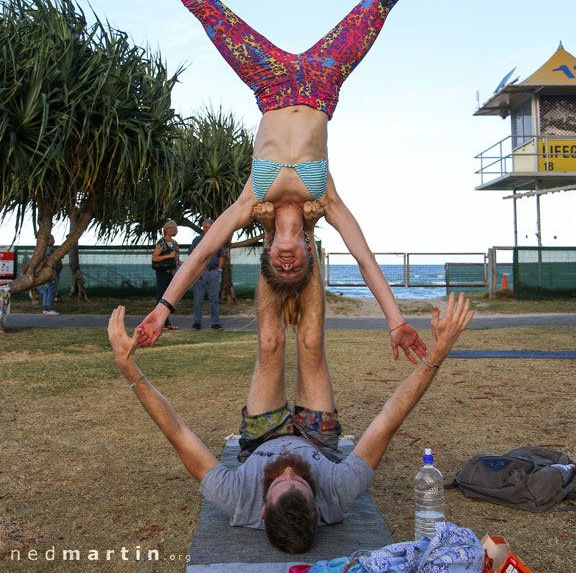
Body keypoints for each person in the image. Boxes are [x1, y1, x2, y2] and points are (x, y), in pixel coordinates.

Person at [62, 0, 498, 354]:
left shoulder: (252, 200)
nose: (287, 261)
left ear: (269, 251)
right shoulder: (324, 199)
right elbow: (366, 257)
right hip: (321, 82)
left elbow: (204, 251)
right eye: (296, 266)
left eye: (279, 265)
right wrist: (395, 321)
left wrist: (164, 307)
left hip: (268, 82)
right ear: (307, 252)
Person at [108, 231, 474, 554]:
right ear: (317, 508)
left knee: (270, 343)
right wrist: (436, 357)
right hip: (317, 439)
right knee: (311, 342)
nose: (285, 469)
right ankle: (304, 234)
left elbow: (178, 433)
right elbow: (389, 420)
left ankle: (273, 236)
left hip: (259, 437)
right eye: (297, 481)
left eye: (277, 483)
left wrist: (130, 370)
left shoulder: (237, 499)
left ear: (262, 508)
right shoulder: (339, 492)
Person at [188, 218, 225, 331]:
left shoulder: (217, 240)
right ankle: (197, 323)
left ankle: (215, 323)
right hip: (200, 273)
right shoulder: (197, 240)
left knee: (214, 299)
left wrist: (218, 270)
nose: (207, 229)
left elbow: (221, 256)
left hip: (213, 272)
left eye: (209, 227)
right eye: (205, 227)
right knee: (198, 299)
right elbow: (191, 255)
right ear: (203, 228)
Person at [151, 220, 182, 331]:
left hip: (172, 273)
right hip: (163, 273)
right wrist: (168, 255)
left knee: (169, 298)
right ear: (165, 229)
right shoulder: (162, 243)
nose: (171, 229)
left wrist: (183, 264)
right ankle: (158, 323)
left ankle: (166, 323)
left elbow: (176, 260)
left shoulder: (175, 243)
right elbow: (154, 258)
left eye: (173, 227)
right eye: (169, 227)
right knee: (161, 298)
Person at [36, 235, 63, 316]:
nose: (53, 240)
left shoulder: (46, 250)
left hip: (50, 273)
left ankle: (45, 308)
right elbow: (49, 261)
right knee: (51, 290)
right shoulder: (48, 250)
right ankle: (49, 308)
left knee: (47, 290)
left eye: (53, 239)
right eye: (51, 239)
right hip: (52, 272)